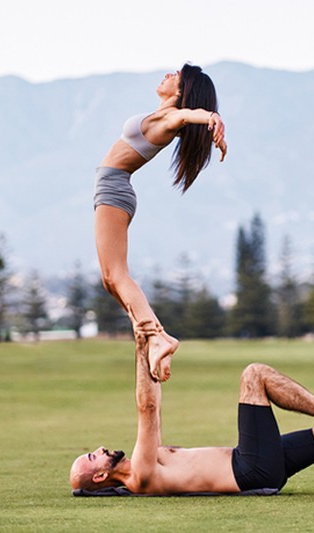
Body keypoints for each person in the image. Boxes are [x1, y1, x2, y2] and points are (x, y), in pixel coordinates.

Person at [69, 321, 314, 495]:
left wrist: (148, 352)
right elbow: (147, 409)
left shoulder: (139, 471)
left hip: (257, 466)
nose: (99, 447)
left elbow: (150, 405)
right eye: (92, 456)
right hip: (250, 469)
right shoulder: (139, 474)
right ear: (102, 473)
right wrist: (141, 348)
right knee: (255, 374)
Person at [94, 63, 227, 382]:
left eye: (176, 77)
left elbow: (184, 116)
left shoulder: (171, 118)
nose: (168, 75)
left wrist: (210, 117)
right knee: (109, 281)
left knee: (116, 274)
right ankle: (147, 332)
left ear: (183, 92)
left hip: (114, 187)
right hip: (113, 188)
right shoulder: (162, 116)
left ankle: (158, 336)